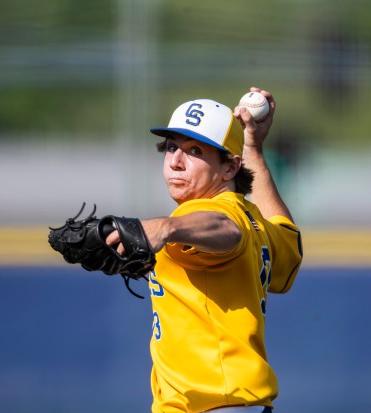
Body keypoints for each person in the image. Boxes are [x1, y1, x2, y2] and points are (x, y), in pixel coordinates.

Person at [106, 87, 303, 413]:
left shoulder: (202, 218)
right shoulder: (258, 222)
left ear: (229, 168)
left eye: (195, 150)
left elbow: (227, 231)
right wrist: (253, 146)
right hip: (238, 402)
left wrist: (167, 228)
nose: (176, 162)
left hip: (210, 403)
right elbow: (288, 240)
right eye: (171, 147)